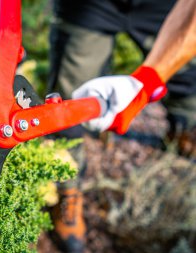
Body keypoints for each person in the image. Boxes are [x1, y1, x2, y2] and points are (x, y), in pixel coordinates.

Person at [48, 0, 196, 252]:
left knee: (188, 81)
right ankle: (68, 191)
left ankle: (184, 134)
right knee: (68, 100)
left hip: (167, 5)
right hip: (90, 5)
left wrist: (146, 83)